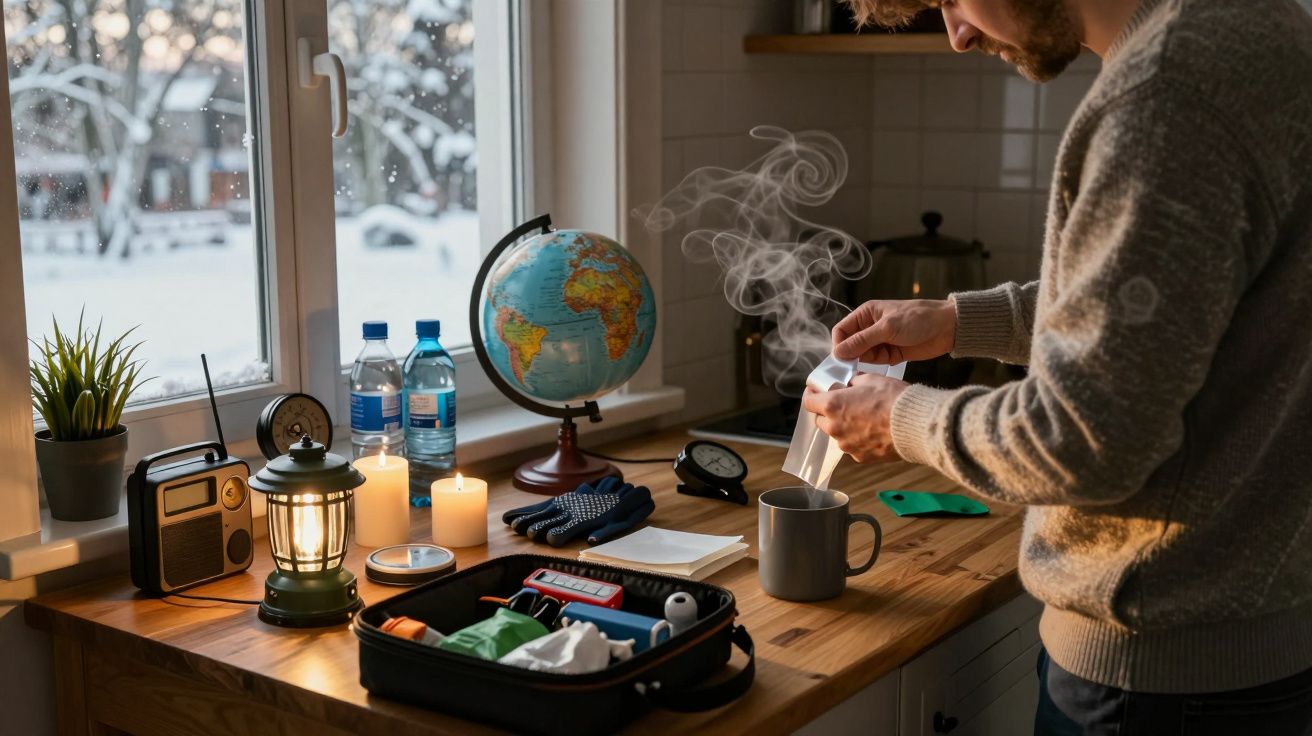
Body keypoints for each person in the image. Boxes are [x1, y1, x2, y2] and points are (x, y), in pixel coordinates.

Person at [805, 0, 1312, 733]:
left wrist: (898, 419)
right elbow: (1171, 298)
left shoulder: (1165, 91)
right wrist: (957, 322)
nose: (957, 35)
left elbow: (1077, 440)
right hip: (1256, 640)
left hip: (1156, 674)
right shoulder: (1257, 23)